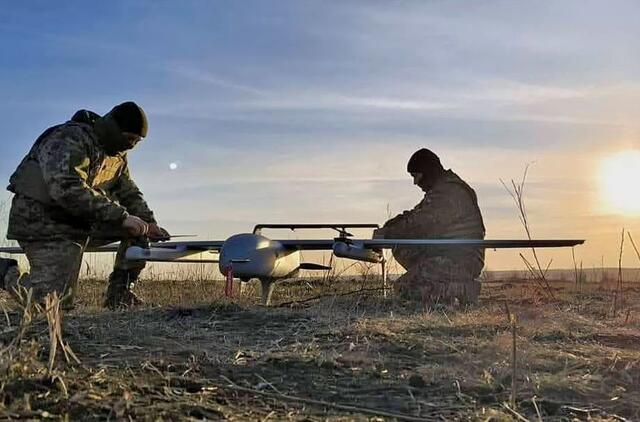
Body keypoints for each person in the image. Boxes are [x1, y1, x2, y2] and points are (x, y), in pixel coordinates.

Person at [0, 102, 169, 309]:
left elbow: (128, 192)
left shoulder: (116, 155)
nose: (131, 145)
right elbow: (66, 188)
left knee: (139, 230)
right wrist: (121, 217)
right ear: (114, 129)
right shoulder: (68, 138)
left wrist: (149, 223)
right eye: (128, 139)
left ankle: (119, 294)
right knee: (51, 305)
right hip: (42, 222)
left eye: (136, 141)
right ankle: (5, 272)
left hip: (80, 221)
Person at [374, 148, 485, 305]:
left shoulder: (449, 192)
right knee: (401, 247)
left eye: (416, 176)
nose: (415, 182)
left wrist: (387, 234)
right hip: (449, 253)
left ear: (427, 171)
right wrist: (391, 225)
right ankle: (447, 285)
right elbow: (416, 214)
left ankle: (462, 289)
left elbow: (421, 225)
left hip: (461, 259)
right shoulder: (443, 189)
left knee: (406, 289)